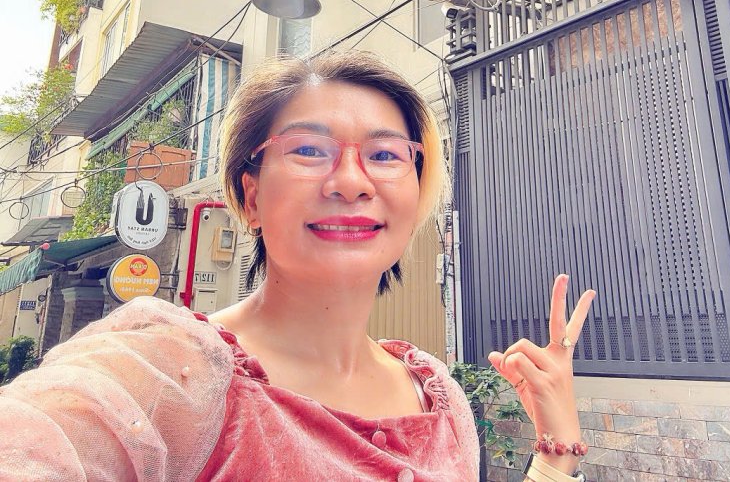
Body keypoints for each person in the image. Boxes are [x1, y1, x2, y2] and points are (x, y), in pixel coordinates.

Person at [0, 51, 594, 481]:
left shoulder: (440, 398)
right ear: (251, 196)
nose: (352, 182)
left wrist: (556, 444)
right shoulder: (170, 371)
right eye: (309, 150)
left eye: (386, 154)